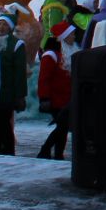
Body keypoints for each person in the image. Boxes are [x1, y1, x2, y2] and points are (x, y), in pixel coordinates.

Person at [0, 11, 28, 155]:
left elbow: (19, 72)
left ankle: (7, 150)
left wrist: (20, 95)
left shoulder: (16, 44)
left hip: (7, 90)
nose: (1, 27)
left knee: (4, 121)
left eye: (5, 24)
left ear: (10, 27)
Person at [36, 23, 75, 158]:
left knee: (63, 128)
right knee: (62, 127)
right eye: (71, 34)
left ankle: (58, 154)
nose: (74, 37)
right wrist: (44, 98)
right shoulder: (51, 55)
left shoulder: (69, 51)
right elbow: (44, 78)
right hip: (55, 99)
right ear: (63, 37)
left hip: (66, 99)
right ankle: (45, 150)